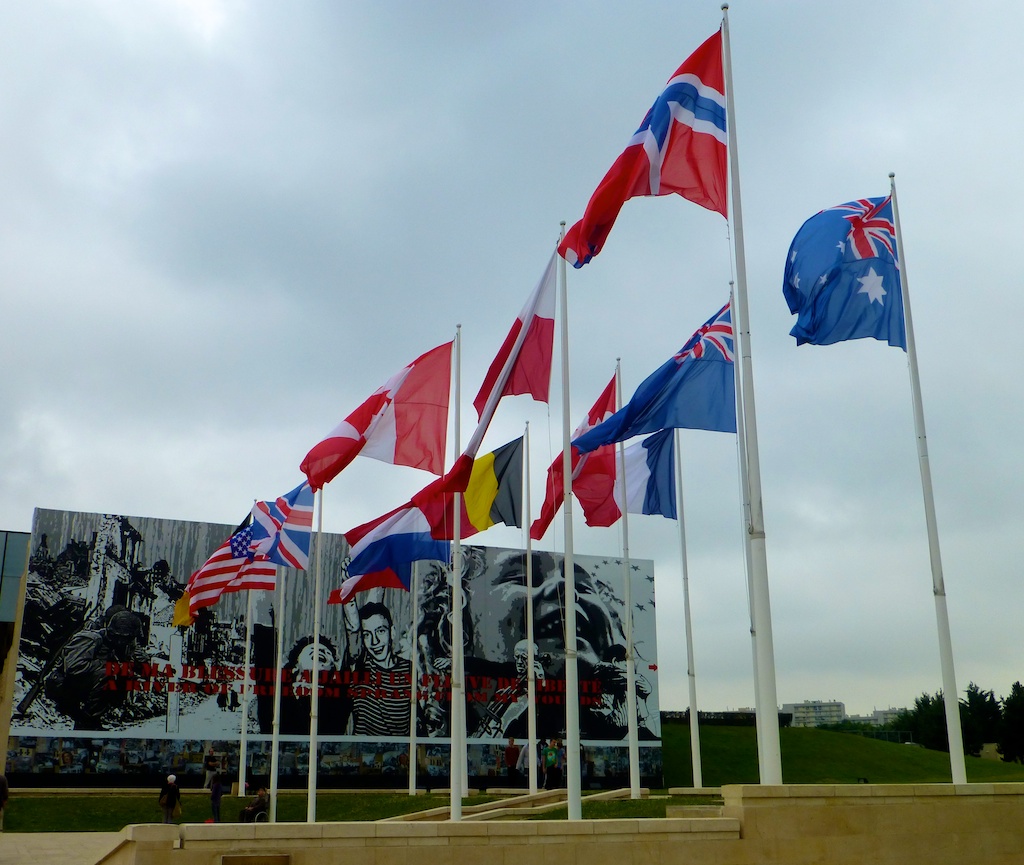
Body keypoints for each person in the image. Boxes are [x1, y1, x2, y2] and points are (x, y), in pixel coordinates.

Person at [45, 609, 148, 730]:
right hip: (62, 685)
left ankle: (94, 719)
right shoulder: (92, 639)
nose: (127, 642)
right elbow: (74, 668)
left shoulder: (117, 645)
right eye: (126, 638)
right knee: (107, 673)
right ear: (117, 635)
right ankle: (86, 722)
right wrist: (110, 666)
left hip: (82, 685)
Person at [348, 602, 413, 736]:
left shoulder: (411, 670)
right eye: (367, 634)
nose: (374, 641)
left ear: (392, 632)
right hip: (362, 753)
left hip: (403, 753)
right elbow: (352, 628)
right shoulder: (360, 669)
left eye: (380, 631)